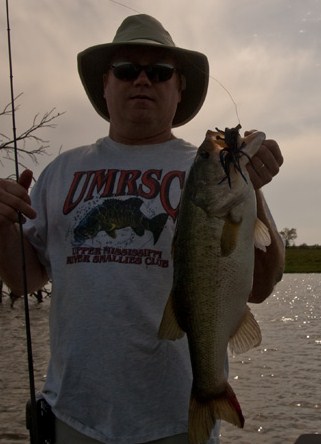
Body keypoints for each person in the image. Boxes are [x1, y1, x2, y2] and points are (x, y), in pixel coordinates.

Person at [0, 14, 284, 444]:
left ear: (179, 87)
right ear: (105, 84)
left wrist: (253, 189)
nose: (143, 81)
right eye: (127, 70)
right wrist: (1, 227)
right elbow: (24, 279)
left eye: (160, 72)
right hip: (73, 415)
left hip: (175, 421)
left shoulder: (207, 169)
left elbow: (260, 287)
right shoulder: (60, 171)